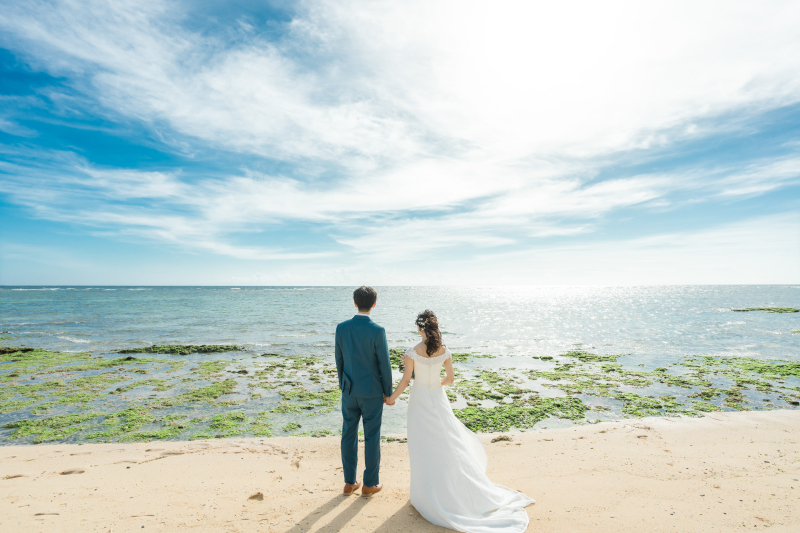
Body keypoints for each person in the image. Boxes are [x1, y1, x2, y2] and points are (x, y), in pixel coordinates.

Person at [384, 310, 534, 532]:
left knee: (423, 444)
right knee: (447, 442)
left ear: (419, 328)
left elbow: (406, 380)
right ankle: (453, 488)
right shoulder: (445, 350)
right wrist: (436, 385)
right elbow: (450, 379)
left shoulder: (411, 352)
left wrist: (391, 398)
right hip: (437, 398)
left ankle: (426, 493)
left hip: (420, 402)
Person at [334, 286, 393, 496]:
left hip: (349, 391)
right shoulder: (378, 331)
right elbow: (384, 364)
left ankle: (349, 483)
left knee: (348, 434)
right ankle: (370, 484)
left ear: (354, 303)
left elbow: (339, 359)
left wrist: (343, 386)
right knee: (372, 437)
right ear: (374, 304)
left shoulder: (341, 328)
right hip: (372, 392)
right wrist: (389, 392)